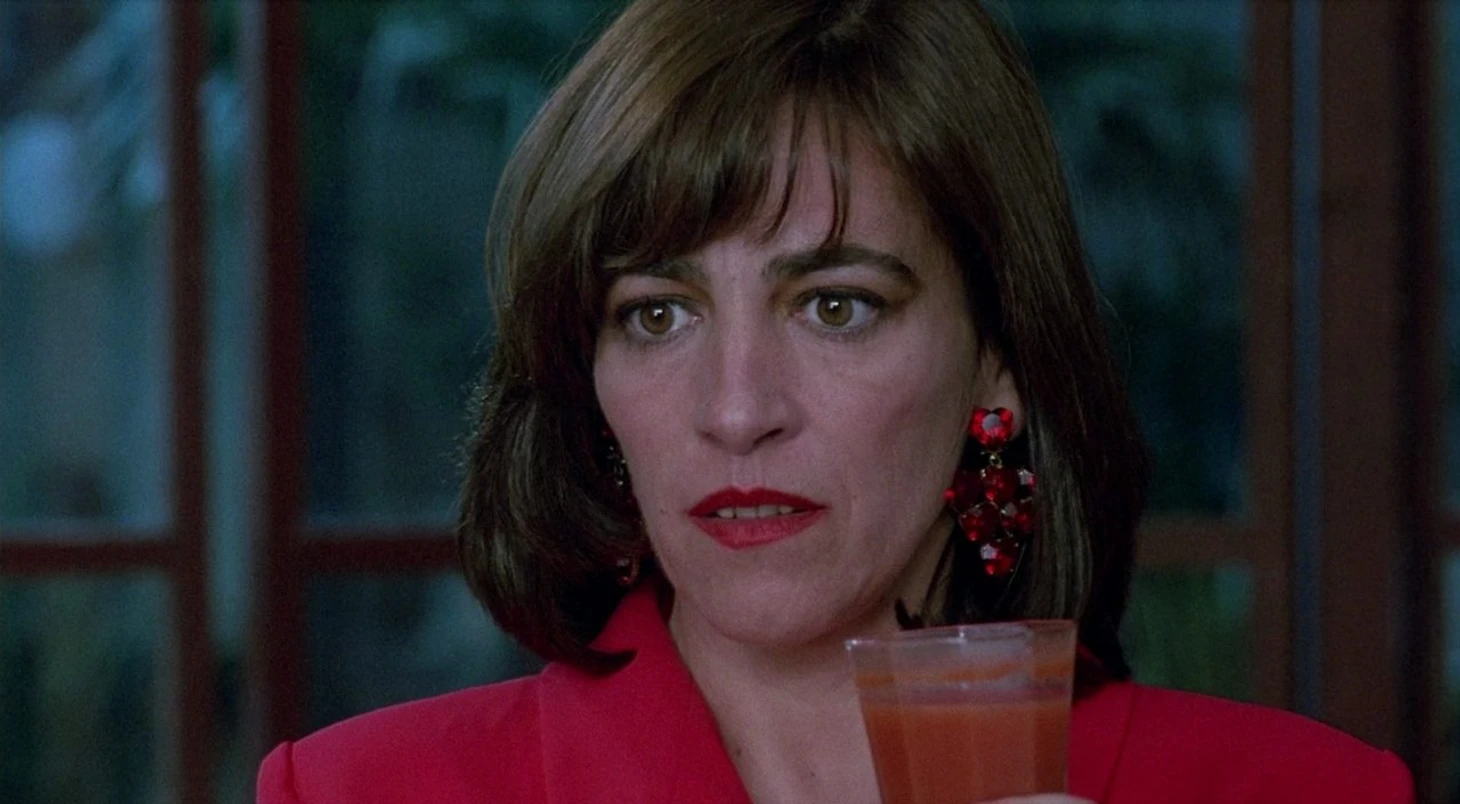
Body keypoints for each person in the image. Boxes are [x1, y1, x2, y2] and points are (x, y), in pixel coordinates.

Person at [257, 1, 1414, 802]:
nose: (735, 409)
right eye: (655, 314)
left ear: (996, 360)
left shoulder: (1305, 793)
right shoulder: (356, 792)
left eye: (834, 305)